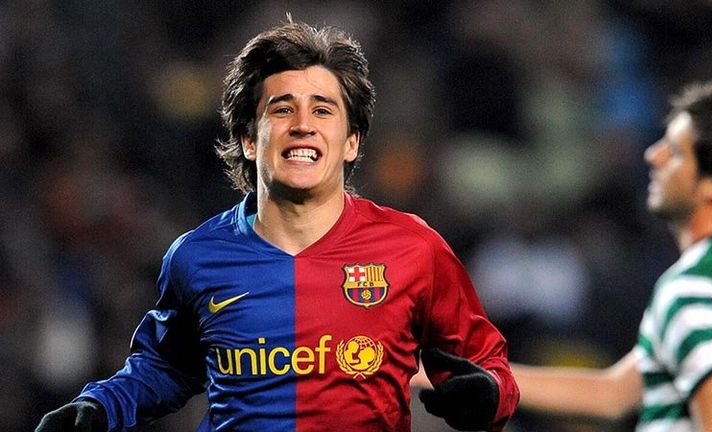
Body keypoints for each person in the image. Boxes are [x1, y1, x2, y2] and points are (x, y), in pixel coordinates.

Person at [34, 18, 519, 432]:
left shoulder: (414, 248)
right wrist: (98, 407)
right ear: (249, 139)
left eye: (323, 110)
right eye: (282, 108)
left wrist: (488, 395)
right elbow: (164, 367)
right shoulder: (196, 256)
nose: (303, 124)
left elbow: (487, 363)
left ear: (351, 141)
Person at [507, 75, 712, 431]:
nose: (654, 155)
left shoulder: (697, 289)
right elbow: (614, 394)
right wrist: (474, 376)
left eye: (675, 152)